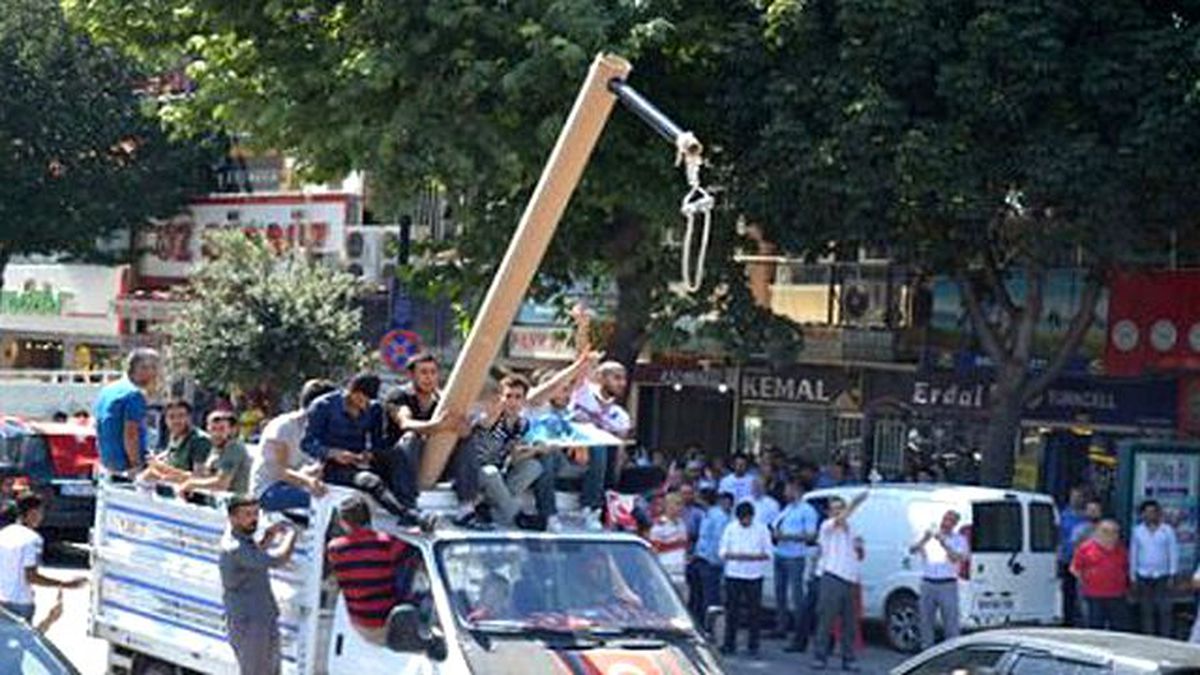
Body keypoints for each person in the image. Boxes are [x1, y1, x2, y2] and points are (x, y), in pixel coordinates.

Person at [303, 374, 427, 526]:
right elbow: (307, 443)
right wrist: (332, 453)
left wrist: (370, 454)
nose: (365, 405)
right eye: (361, 400)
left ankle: (410, 504)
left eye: (368, 401)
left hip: (358, 458)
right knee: (370, 481)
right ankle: (407, 515)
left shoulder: (373, 408)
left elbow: (378, 443)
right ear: (351, 392)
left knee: (398, 454)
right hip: (332, 465)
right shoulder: (323, 406)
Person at [218, 495, 297, 675]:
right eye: (247, 514)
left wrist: (268, 536)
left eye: (255, 513)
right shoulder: (235, 546)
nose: (254, 519)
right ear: (232, 517)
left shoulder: (242, 539)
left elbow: (254, 559)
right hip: (251, 623)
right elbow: (277, 559)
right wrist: (292, 534)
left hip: (261, 618)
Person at [384, 353, 472, 506]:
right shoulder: (399, 395)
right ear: (411, 375)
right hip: (399, 462)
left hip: (434, 464)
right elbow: (405, 423)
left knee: (465, 442)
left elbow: (462, 430)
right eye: (423, 372)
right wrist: (436, 426)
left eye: (433, 372)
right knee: (411, 437)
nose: (429, 377)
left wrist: (462, 429)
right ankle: (407, 505)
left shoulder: (441, 399)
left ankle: (467, 506)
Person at [327, 495, 419, 641]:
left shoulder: (334, 549)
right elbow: (414, 555)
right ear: (369, 517)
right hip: (386, 623)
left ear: (343, 523)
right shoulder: (387, 542)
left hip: (358, 622)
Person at [251, 380, 337, 511]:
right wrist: (308, 481)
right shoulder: (284, 426)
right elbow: (280, 471)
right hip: (269, 489)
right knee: (326, 500)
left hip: (296, 486)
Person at [470, 376, 542, 529]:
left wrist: (537, 449)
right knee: (491, 472)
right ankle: (515, 516)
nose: (513, 402)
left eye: (518, 397)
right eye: (508, 396)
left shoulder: (522, 424)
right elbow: (484, 423)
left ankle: (490, 506)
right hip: (477, 472)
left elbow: (515, 458)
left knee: (534, 466)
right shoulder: (491, 418)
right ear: (501, 398)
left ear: (523, 401)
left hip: (500, 474)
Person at [0, 494, 85, 622]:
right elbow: (31, 576)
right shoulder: (32, 539)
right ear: (31, 513)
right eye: (40, 512)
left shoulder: (4, 534)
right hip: (19, 603)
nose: (41, 517)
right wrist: (65, 584)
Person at [813, 490, 869, 672]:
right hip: (832, 576)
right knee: (826, 619)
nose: (837, 512)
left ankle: (849, 658)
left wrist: (859, 547)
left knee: (850, 623)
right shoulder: (826, 526)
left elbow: (860, 555)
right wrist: (856, 502)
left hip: (851, 579)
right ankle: (820, 656)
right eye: (834, 509)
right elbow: (838, 521)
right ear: (830, 512)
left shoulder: (854, 528)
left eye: (840, 508)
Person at [572, 360, 632, 517]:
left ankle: (600, 506)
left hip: (599, 460)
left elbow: (620, 451)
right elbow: (579, 368)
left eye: (623, 379)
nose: (622, 383)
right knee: (597, 442)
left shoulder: (621, 416)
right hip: (572, 449)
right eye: (616, 378)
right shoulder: (582, 393)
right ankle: (590, 505)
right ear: (601, 377)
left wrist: (614, 482)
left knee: (607, 446)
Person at [718, 501, 772, 657]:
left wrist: (750, 557)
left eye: (747, 519)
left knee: (754, 612)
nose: (745, 522)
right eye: (742, 519)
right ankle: (729, 644)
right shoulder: (731, 528)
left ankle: (753, 646)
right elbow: (722, 552)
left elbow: (768, 552)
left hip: (754, 575)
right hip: (734, 574)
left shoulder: (761, 529)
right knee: (732, 611)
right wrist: (736, 555)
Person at [94, 348, 159, 474]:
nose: (154, 373)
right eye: (151, 368)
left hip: (107, 462)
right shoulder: (134, 395)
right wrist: (136, 465)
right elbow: (131, 434)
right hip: (125, 466)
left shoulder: (108, 390)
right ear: (138, 369)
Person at [910, 509, 968, 649]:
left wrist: (944, 544)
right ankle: (926, 651)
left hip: (947, 584)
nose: (945, 523)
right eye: (945, 519)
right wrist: (924, 539)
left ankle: (952, 652)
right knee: (925, 621)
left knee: (951, 622)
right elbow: (912, 550)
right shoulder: (929, 537)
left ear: (954, 524)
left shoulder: (959, 540)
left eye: (950, 520)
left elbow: (957, 559)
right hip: (928, 582)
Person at [774, 478, 819, 646]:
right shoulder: (787, 509)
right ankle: (781, 626)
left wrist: (788, 537)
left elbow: (811, 536)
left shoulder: (807, 511)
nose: (785, 493)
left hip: (796, 556)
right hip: (780, 553)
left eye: (788, 489)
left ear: (796, 489)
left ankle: (800, 633)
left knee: (797, 595)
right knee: (780, 593)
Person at [1129, 499, 1178, 637]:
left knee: (1165, 609)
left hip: (1163, 575)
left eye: (1153, 512)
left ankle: (1165, 637)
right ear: (1142, 515)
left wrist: (1172, 574)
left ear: (1158, 514)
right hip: (1143, 575)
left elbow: (1173, 552)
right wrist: (1132, 576)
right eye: (1147, 512)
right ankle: (1148, 637)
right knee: (1146, 609)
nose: (1150, 515)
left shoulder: (1167, 530)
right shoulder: (1137, 531)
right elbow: (1134, 553)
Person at [1071, 519, 1129, 631]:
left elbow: (1126, 568)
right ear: (1097, 533)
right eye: (1106, 531)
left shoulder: (1121, 549)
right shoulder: (1085, 548)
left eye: (1114, 532)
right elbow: (1075, 569)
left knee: (1118, 627)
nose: (1110, 535)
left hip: (1116, 594)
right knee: (1095, 627)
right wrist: (1087, 579)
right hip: (1093, 595)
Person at [178, 411, 251, 496]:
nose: (217, 434)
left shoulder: (234, 448)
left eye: (222, 429)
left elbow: (221, 484)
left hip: (234, 504)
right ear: (207, 429)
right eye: (213, 429)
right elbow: (202, 476)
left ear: (230, 430)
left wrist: (191, 484)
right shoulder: (214, 448)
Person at [692, 491, 732, 624]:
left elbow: (718, 540)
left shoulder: (719, 517)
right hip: (701, 559)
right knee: (699, 597)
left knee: (711, 599)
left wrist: (715, 560)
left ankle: (710, 628)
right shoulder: (707, 514)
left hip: (711, 563)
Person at [1058, 485, 1088, 626]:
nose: (1076, 500)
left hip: (1086, 562)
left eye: (1079, 497)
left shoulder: (1087, 518)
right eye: (1073, 497)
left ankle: (1082, 620)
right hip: (1067, 559)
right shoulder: (1063, 515)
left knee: (1083, 593)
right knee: (1068, 591)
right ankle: (1068, 620)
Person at [649, 492, 689, 592]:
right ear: (669, 505)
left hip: (680, 572)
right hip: (666, 572)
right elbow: (654, 551)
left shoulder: (682, 524)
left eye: (681, 504)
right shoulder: (660, 525)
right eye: (677, 504)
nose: (680, 507)